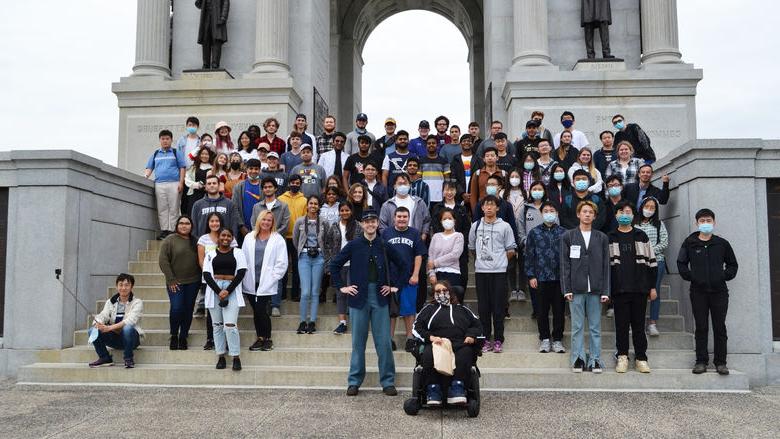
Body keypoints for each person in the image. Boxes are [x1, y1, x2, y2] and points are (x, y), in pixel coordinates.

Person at [329, 209, 401, 397]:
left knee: (384, 342)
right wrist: (341, 287)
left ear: (378, 223)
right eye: (366, 222)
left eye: (373, 221)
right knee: (358, 343)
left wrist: (395, 286)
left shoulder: (384, 245)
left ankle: (387, 381)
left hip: (380, 298)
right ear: (361, 224)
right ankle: (354, 381)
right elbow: (334, 265)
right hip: (358, 298)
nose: (370, 224)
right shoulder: (354, 245)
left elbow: (404, 265)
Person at [677, 209, 738, 375]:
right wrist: (692, 277)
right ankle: (701, 361)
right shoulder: (689, 243)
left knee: (720, 327)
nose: (706, 223)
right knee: (701, 327)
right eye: (702, 220)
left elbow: (733, 264)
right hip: (698, 292)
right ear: (697, 223)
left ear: (714, 222)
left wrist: (723, 276)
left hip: (719, 292)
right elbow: (681, 263)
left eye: (708, 220)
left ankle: (721, 362)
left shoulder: (722, 243)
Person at [412, 280, 484, 406]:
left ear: (450, 293)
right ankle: (433, 389)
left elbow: (477, 326)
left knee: (466, 351)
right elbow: (416, 328)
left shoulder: (463, 309)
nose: (441, 294)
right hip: (437, 342)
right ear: (433, 294)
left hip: (460, 342)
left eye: (444, 291)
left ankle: (457, 388)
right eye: (438, 291)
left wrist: (471, 336)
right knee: (428, 354)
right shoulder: (428, 310)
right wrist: (431, 337)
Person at [608, 200, 658, 373]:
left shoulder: (641, 236)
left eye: (628, 212)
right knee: (621, 326)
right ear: (616, 215)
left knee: (638, 326)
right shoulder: (610, 237)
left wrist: (652, 287)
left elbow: (652, 262)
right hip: (619, 289)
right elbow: (606, 267)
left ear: (633, 215)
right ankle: (622, 356)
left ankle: (641, 358)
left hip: (640, 289)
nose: (624, 215)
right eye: (621, 212)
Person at [560, 201, 610, 373]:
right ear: (578, 214)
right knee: (577, 326)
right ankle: (578, 358)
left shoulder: (602, 237)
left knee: (595, 326)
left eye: (591, 212)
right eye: (584, 211)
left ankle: (595, 359)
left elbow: (606, 266)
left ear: (595, 216)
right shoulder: (568, 236)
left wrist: (606, 290)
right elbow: (565, 264)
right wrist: (567, 288)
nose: (587, 214)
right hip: (576, 288)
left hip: (596, 289)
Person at [468, 195, 517, 354]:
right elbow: (472, 248)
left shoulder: (505, 226)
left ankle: (498, 340)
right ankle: (484, 339)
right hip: (481, 271)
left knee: (498, 307)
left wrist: (499, 260)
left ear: (497, 208)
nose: (489, 208)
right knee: (483, 308)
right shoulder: (475, 226)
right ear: (482, 208)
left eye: (492, 205)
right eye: (486, 205)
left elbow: (511, 250)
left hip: (499, 272)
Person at [241, 210, 289, 351]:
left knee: (261, 310)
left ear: (272, 223)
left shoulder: (277, 238)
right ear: (259, 221)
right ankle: (260, 338)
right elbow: (243, 258)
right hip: (250, 280)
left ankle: (267, 339)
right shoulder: (249, 237)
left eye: (269, 220)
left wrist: (273, 277)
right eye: (264, 219)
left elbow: (282, 262)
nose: (266, 222)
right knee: (256, 311)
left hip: (266, 281)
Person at [203, 228, 247, 371]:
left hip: (231, 288)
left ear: (232, 238)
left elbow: (241, 272)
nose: (225, 238)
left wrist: (227, 290)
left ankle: (235, 356)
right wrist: (218, 291)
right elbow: (207, 274)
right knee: (217, 325)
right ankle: (221, 356)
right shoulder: (210, 254)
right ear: (218, 238)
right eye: (223, 235)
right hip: (214, 288)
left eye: (228, 235)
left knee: (230, 325)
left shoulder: (238, 253)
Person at [525, 201, 567, 354]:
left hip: (559, 279)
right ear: (542, 214)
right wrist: (531, 275)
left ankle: (557, 340)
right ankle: (544, 339)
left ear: (556, 213)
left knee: (559, 311)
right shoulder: (534, 233)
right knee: (541, 311)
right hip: (540, 278)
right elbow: (529, 255)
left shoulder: (564, 232)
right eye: (546, 210)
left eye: (552, 210)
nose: (549, 213)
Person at [383, 207, 427, 352]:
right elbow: (382, 255)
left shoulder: (414, 233)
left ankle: (410, 338)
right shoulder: (386, 233)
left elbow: (419, 255)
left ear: (409, 218)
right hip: (391, 278)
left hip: (408, 278)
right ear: (394, 218)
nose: (402, 219)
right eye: (399, 216)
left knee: (409, 310)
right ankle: (389, 339)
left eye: (404, 216)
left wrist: (415, 274)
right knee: (391, 311)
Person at [158, 215, 202, 350]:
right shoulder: (169, 240)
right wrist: (171, 279)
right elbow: (163, 261)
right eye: (181, 223)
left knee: (188, 309)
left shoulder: (196, 241)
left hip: (193, 281)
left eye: (187, 223)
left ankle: (183, 336)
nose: (184, 226)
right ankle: (174, 335)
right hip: (175, 282)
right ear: (177, 226)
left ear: (191, 226)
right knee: (177, 308)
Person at [197, 212, 238, 350]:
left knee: (227, 315)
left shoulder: (227, 237)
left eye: (217, 221)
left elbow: (234, 258)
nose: (214, 223)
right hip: (209, 280)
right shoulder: (203, 238)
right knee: (212, 315)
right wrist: (210, 274)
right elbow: (202, 260)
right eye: (212, 221)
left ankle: (227, 342)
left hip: (227, 281)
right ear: (208, 223)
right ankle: (211, 339)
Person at [87, 273, 144, 369]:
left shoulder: (137, 302)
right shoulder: (110, 302)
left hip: (131, 339)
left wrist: (109, 328)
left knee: (127, 328)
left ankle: (128, 358)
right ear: (117, 286)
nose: (123, 288)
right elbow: (103, 315)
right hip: (115, 339)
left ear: (131, 287)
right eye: (121, 285)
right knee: (92, 330)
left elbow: (130, 321)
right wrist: (98, 323)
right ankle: (105, 357)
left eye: (127, 285)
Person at [324, 202, 362, 335]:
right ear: (339, 212)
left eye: (347, 210)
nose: (345, 212)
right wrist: (330, 263)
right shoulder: (334, 226)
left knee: (353, 293)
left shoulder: (358, 226)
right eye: (342, 210)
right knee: (340, 294)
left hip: (354, 265)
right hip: (338, 265)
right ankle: (342, 323)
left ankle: (356, 321)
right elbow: (327, 244)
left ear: (351, 211)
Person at [293, 196, 329, 335]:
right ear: (307, 205)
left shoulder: (324, 222)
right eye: (311, 203)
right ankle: (303, 321)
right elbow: (296, 240)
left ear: (319, 206)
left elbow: (327, 240)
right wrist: (303, 250)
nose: (313, 205)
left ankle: (312, 321)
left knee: (315, 291)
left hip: (319, 257)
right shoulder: (300, 221)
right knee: (305, 291)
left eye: (316, 203)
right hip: (304, 257)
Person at [634, 197, 669, 337]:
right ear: (641, 207)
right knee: (638, 292)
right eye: (646, 206)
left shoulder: (659, 224)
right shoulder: (635, 224)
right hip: (638, 263)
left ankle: (652, 323)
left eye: (652, 207)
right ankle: (637, 322)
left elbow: (664, 242)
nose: (649, 209)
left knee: (654, 292)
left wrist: (650, 251)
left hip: (657, 261)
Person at [145, 130, 188, 240]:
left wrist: (181, 182)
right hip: (159, 184)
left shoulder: (175, 152)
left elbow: (182, 167)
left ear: (171, 140)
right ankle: (164, 231)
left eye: (167, 139)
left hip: (174, 183)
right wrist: (145, 176)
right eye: (163, 139)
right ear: (160, 140)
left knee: (174, 207)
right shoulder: (156, 153)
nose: (165, 141)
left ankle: (172, 230)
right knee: (162, 208)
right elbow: (149, 168)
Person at [430, 180, 471, 288]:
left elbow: (467, 227)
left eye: (452, 190)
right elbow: (435, 226)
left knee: (463, 279)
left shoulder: (461, 208)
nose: (449, 192)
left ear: (456, 191)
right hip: (441, 250)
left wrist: (461, 242)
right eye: (447, 189)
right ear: (443, 191)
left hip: (459, 249)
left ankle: (458, 304)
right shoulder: (437, 208)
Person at [277, 175, 307, 308]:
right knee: (282, 266)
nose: (295, 184)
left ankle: (295, 293)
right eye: (293, 182)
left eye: (297, 183)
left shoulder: (304, 200)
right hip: (282, 236)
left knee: (296, 266)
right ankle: (281, 293)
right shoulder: (280, 199)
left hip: (298, 237)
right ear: (288, 183)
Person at [378, 174, 431, 239]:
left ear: (410, 185)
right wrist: (389, 239)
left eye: (405, 183)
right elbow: (382, 225)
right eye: (400, 184)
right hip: (393, 242)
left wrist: (423, 237)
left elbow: (427, 220)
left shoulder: (419, 202)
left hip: (415, 240)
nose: (403, 186)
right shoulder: (387, 205)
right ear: (394, 186)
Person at [427, 209, 465, 299]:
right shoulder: (436, 236)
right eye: (444, 219)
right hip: (437, 274)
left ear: (454, 220)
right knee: (438, 302)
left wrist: (436, 263)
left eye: (449, 218)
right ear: (441, 221)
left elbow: (455, 255)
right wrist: (431, 274)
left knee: (451, 301)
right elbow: (431, 256)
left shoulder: (458, 236)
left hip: (452, 274)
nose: (447, 220)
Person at [505, 169, 527, 302]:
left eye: (516, 176)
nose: (514, 178)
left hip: (523, 231)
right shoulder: (503, 193)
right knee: (511, 263)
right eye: (512, 176)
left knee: (523, 263)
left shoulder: (526, 193)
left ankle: (523, 289)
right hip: (508, 232)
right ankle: (513, 289)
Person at [231, 159, 263, 238]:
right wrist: (241, 226)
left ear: (260, 170)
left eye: (256, 169)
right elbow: (234, 207)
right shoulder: (239, 186)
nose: (253, 171)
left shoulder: (264, 186)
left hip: (262, 227)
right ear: (246, 169)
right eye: (251, 168)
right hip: (243, 229)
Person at [183, 146, 214, 216]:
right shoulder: (194, 167)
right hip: (194, 194)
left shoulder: (213, 168)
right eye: (202, 154)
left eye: (206, 154)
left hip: (207, 195)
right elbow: (187, 179)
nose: (204, 156)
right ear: (199, 155)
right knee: (193, 214)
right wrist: (196, 185)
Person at [420, 135, 451, 206]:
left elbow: (447, 179)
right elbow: (418, 178)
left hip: (439, 197)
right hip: (424, 196)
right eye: (429, 143)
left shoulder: (444, 161)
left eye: (433, 143)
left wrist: (446, 193)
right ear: (426, 145)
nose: (431, 145)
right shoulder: (421, 161)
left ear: (437, 145)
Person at [449, 135, 476, 208]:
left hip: (475, 196)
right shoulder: (455, 159)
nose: (466, 142)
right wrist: (462, 193)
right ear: (460, 144)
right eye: (464, 141)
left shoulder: (478, 159)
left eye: (469, 141)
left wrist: (472, 194)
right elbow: (453, 178)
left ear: (472, 144)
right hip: (458, 197)